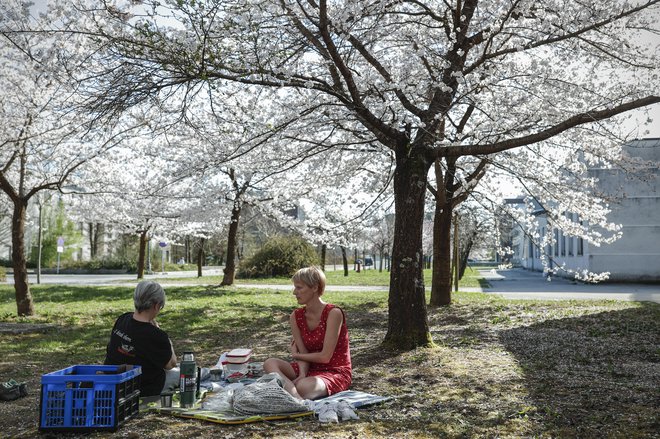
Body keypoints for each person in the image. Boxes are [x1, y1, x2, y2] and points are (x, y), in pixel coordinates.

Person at [263, 266, 352, 400]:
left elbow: (325, 357)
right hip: (308, 368)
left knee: (303, 387)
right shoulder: (296, 316)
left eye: (299, 288)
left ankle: (289, 393)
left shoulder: (333, 313)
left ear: (315, 288)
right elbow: (303, 353)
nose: (294, 292)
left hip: (334, 371)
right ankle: (297, 400)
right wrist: (302, 374)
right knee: (269, 363)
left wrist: (295, 355)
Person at [104, 281, 178, 397]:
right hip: (143, 388)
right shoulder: (156, 335)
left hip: (112, 383)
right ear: (156, 305)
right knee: (189, 373)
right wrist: (166, 337)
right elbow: (171, 364)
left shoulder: (122, 319)